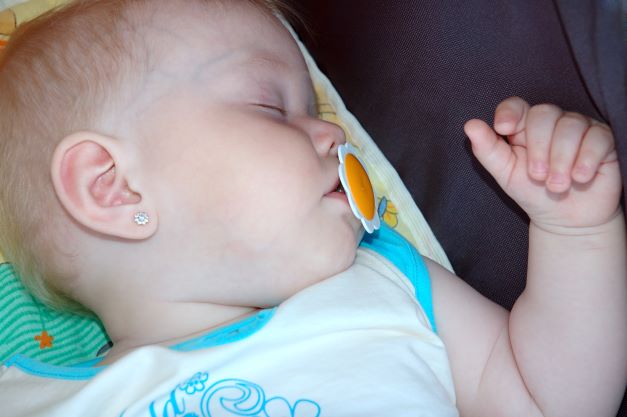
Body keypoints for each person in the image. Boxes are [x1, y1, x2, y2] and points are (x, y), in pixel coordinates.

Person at [0, 0, 624, 416]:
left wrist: (576, 229)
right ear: (113, 186)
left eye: (320, 113)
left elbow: (553, 402)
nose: (335, 138)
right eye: (272, 108)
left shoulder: (384, 282)